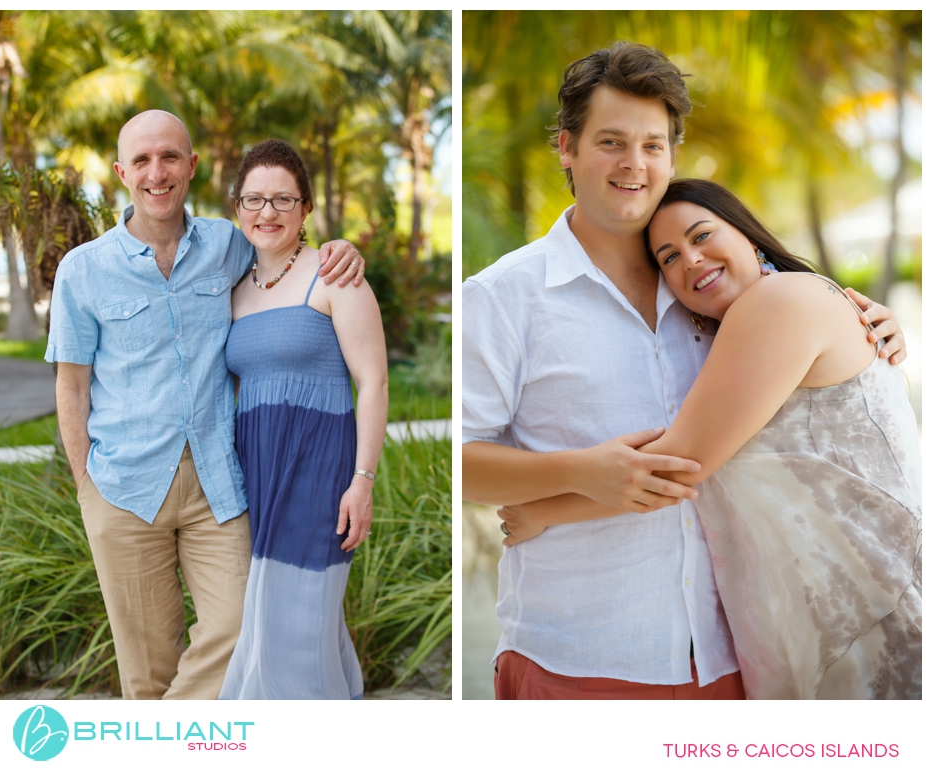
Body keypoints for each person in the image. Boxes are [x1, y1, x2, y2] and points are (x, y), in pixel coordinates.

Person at [462, 42, 908, 700]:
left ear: (672, 155)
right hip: (580, 657)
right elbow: (462, 460)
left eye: (652, 145)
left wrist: (872, 321)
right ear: (567, 147)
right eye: (611, 141)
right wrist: (575, 473)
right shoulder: (504, 296)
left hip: (740, 659)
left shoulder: (717, 298)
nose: (634, 165)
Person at [47, 110, 365, 700]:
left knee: (241, 629)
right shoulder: (83, 271)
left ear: (191, 167)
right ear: (121, 172)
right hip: (122, 486)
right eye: (141, 160)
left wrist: (339, 249)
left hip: (219, 483)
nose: (156, 172)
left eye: (170, 157)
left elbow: (284, 251)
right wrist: (85, 485)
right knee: (147, 667)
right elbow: (71, 386)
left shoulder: (226, 244)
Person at [218, 139, 388, 700]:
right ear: (237, 206)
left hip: (318, 475)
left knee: (295, 629)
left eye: (283, 200)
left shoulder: (336, 274)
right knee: (281, 627)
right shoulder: (234, 288)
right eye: (254, 199)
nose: (267, 212)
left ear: (306, 208)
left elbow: (374, 383)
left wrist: (362, 481)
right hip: (255, 477)